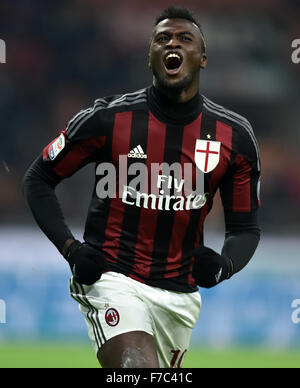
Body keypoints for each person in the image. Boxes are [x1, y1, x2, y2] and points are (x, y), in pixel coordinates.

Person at [23, 6, 261, 368]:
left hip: (179, 298)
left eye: (185, 39)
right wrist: (71, 249)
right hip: (112, 279)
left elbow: (245, 229)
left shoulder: (235, 136)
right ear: (150, 57)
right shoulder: (107, 119)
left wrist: (224, 265)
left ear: (203, 58)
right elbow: (38, 178)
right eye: (162, 38)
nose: (172, 44)